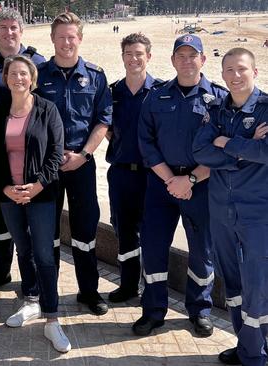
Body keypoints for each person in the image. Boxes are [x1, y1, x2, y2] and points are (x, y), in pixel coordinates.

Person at [136, 34, 227, 337]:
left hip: (200, 185)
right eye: (181, 56)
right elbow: (146, 142)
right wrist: (171, 180)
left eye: (193, 55)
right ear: (173, 60)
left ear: (203, 59)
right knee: (153, 248)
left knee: (202, 251)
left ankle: (199, 311)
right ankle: (153, 311)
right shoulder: (156, 96)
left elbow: (222, 151)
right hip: (160, 185)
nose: (187, 61)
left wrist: (188, 180)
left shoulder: (219, 99)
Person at [0, 55, 69, 352]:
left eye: (24, 74)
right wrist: (6, 188)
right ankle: (30, 299)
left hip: (41, 195)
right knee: (23, 250)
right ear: (6, 78)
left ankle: (52, 319)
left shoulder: (47, 110)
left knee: (45, 255)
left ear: (32, 78)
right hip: (9, 196)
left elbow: (56, 155)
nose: (18, 78)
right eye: (13, 74)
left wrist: (36, 187)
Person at [193, 48, 268, 366]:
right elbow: (200, 151)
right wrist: (246, 147)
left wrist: (229, 143)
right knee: (233, 283)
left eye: (241, 69)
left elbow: (266, 153)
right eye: (229, 70)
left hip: (257, 213)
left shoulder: (266, 108)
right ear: (221, 74)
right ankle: (245, 345)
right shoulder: (217, 109)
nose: (235, 76)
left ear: (254, 71)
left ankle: (256, 355)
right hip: (222, 210)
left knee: (258, 283)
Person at [35, 12, 112, 316]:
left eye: (72, 37)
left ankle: (89, 292)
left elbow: (103, 121)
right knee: (47, 233)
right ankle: (47, 292)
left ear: (80, 39)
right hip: (47, 167)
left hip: (83, 164)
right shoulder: (38, 75)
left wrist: (84, 155)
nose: (67, 42)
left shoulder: (95, 75)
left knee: (84, 232)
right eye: (61, 36)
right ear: (52, 39)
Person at [0, 7, 45, 290]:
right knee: (0, 221)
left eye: (13, 27)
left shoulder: (38, 61)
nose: (8, 32)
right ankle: (0, 272)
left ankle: (34, 279)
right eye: (3, 27)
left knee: (31, 222)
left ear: (22, 30)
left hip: (30, 156)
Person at [105, 33, 162, 303]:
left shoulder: (161, 92)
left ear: (148, 57)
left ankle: (151, 290)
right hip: (120, 173)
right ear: (123, 56)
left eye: (139, 54)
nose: (134, 59)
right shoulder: (112, 91)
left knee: (152, 233)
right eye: (129, 54)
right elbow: (104, 127)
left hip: (153, 175)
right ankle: (129, 285)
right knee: (124, 231)